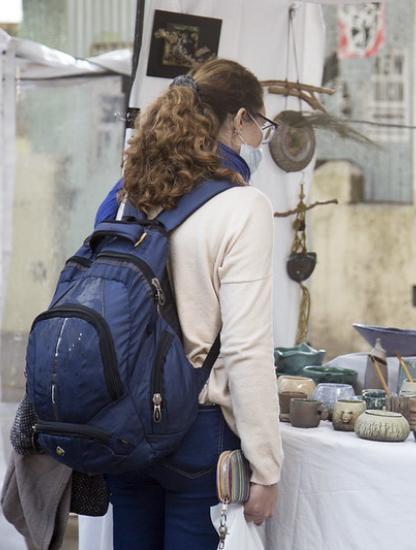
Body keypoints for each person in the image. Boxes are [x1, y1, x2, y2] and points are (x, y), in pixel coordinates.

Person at [101, 59, 282, 549]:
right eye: (261, 126)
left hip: (121, 423)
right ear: (239, 119)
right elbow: (245, 348)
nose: (261, 140)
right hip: (195, 431)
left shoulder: (128, 194)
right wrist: (266, 468)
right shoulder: (243, 206)